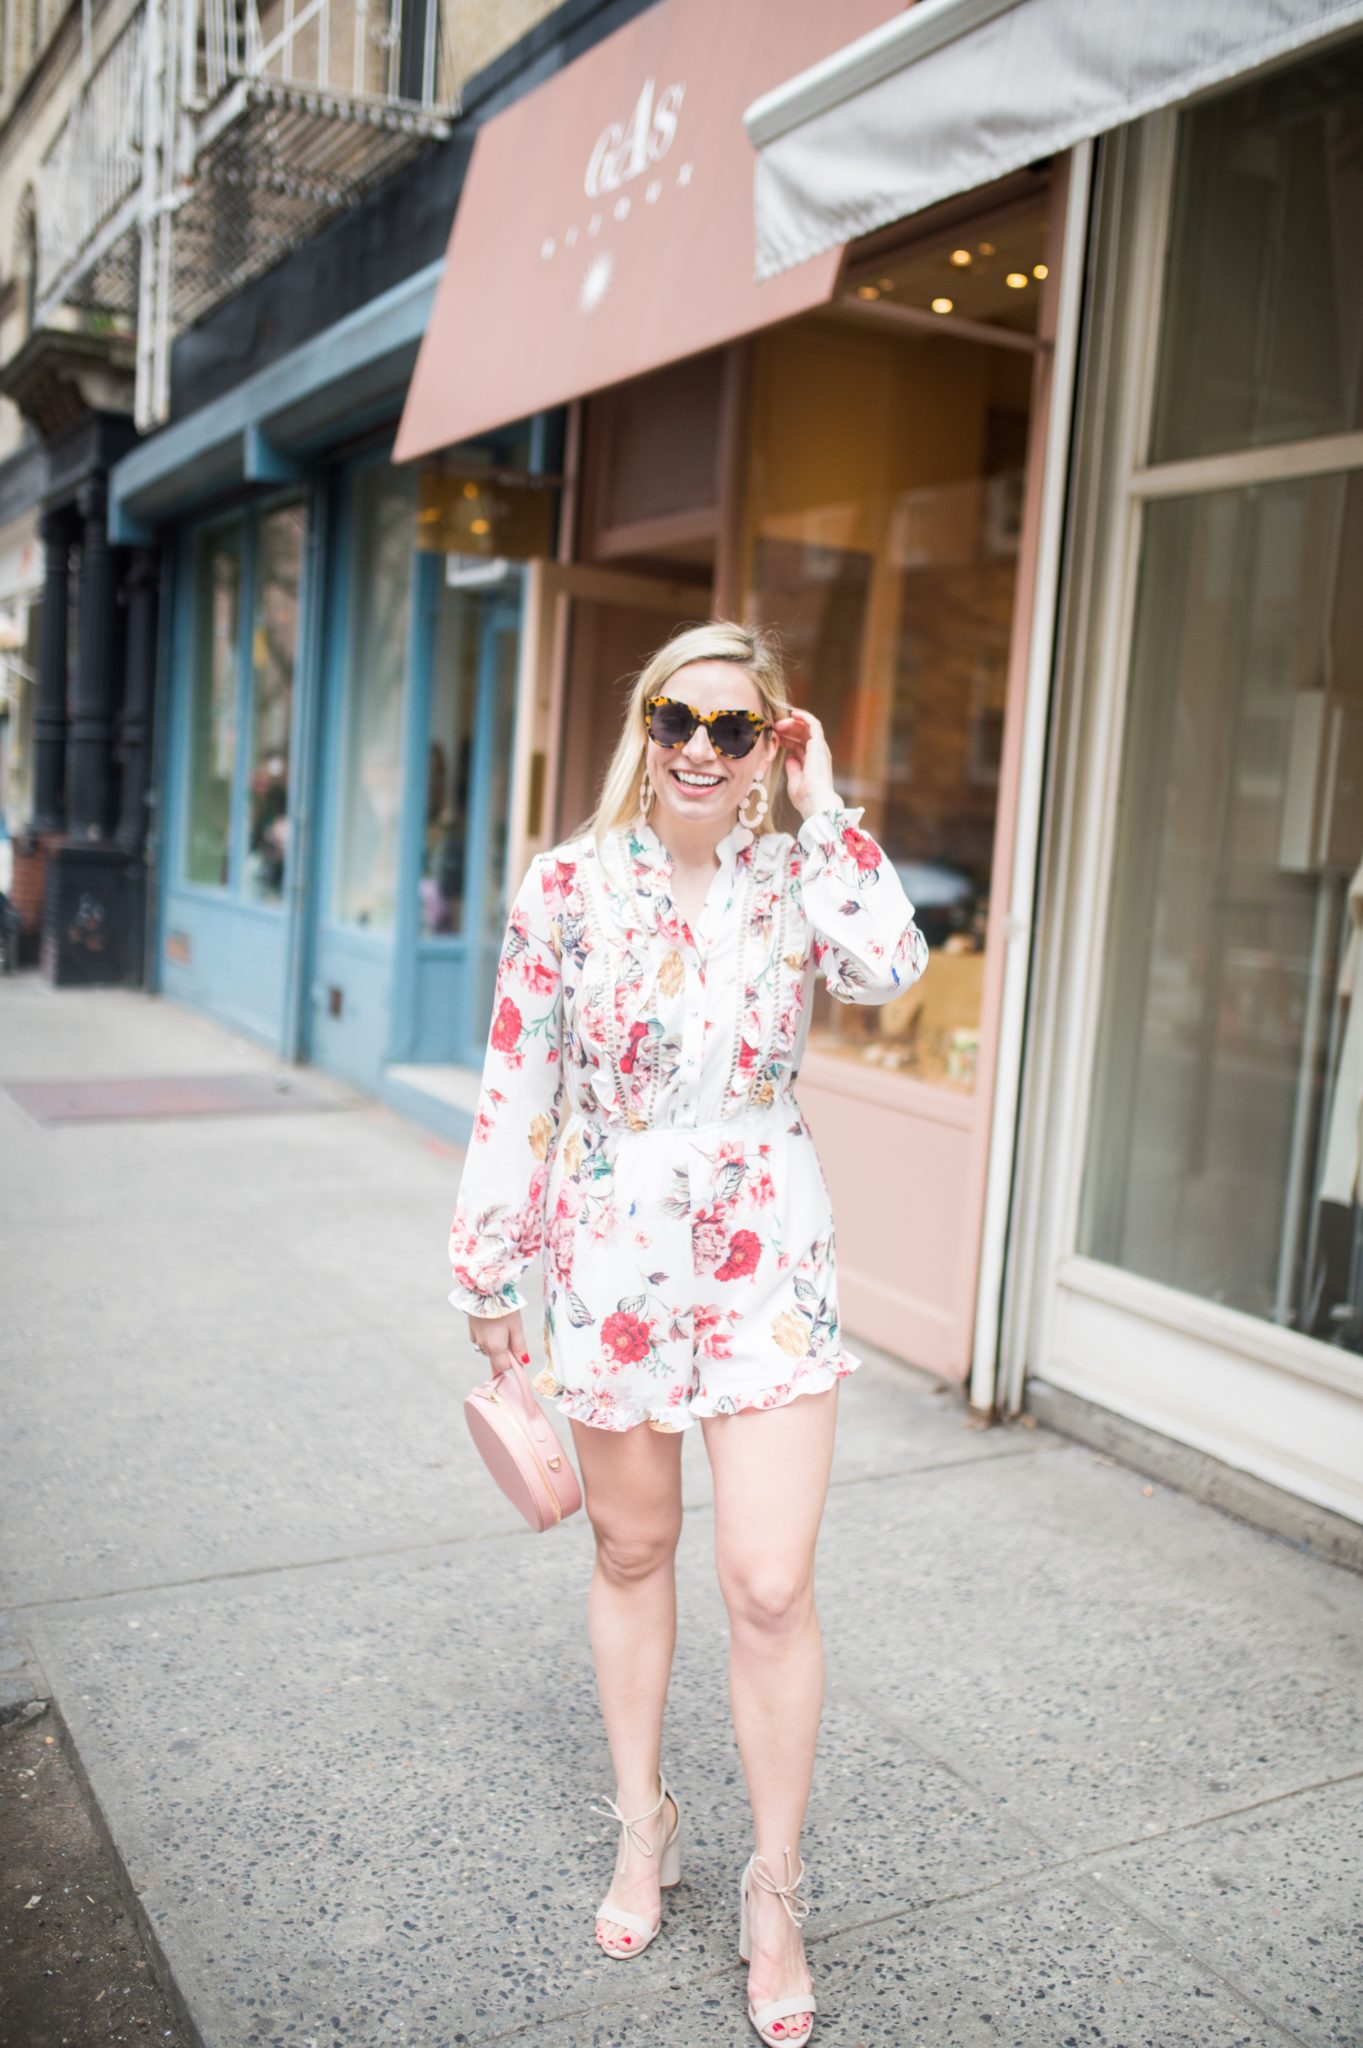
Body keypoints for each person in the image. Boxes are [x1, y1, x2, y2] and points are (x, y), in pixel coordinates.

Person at [447, 620, 928, 2045]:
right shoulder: (568, 887)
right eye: (677, 720)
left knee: (770, 1582)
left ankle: (772, 1885)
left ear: (768, 744)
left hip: (767, 1255)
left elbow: (892, 965)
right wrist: (489, 1270)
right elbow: (516, 1084)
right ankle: (644, 1820)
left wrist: (829, 806)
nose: (701, 750)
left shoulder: (799, 877)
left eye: (736, 728)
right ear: (643, 731)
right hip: (608, 1253)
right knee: (632, 1546)